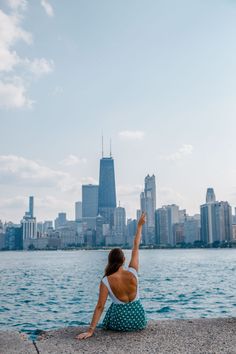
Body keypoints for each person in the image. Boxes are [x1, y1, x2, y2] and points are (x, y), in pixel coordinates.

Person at [76, 212, 147, 340]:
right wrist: (140, 226)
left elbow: (100, 306)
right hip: (139, 321)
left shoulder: (106, 281)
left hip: (120, 324)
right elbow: (136, 246)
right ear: (124, 259)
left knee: (113, 306)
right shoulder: (133, 272)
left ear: (109, 261)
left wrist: (90, 331)